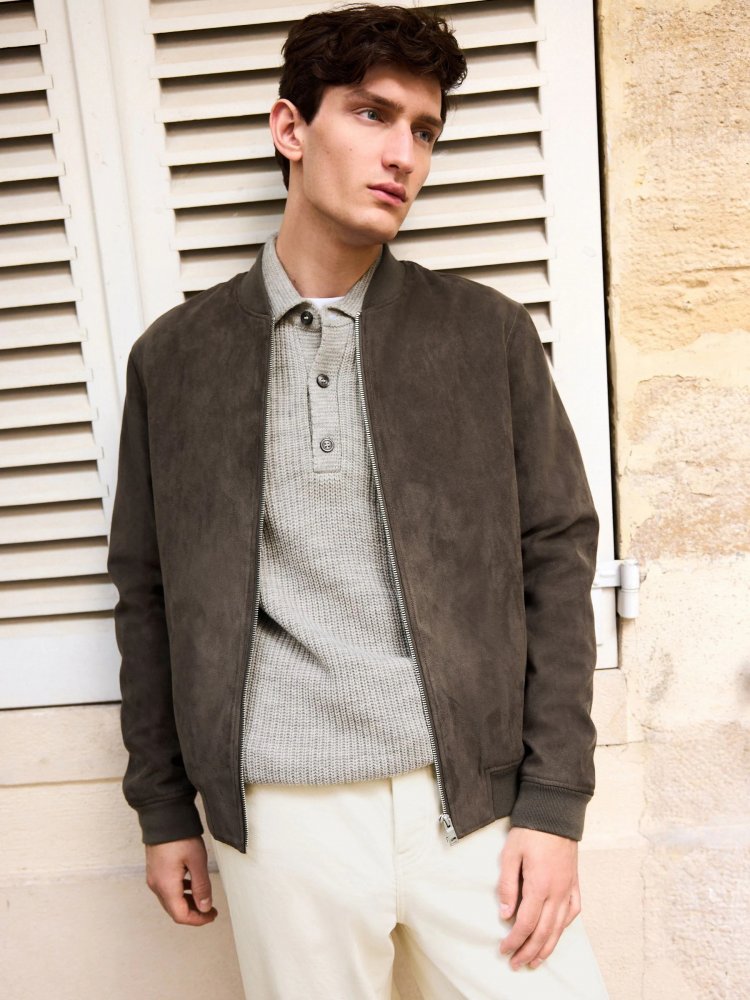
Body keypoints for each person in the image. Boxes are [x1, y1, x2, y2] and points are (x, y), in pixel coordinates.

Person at [107, 4, 610, 997]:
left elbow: (558, 555)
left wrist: (554, 803)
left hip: (474, 805)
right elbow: (147, 592)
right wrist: (163, 808)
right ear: (290, 128)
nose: (402, 155)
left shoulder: (486, 335)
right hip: (281, 817)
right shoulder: (177, 360)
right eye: (373, 115)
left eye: (424, 130)